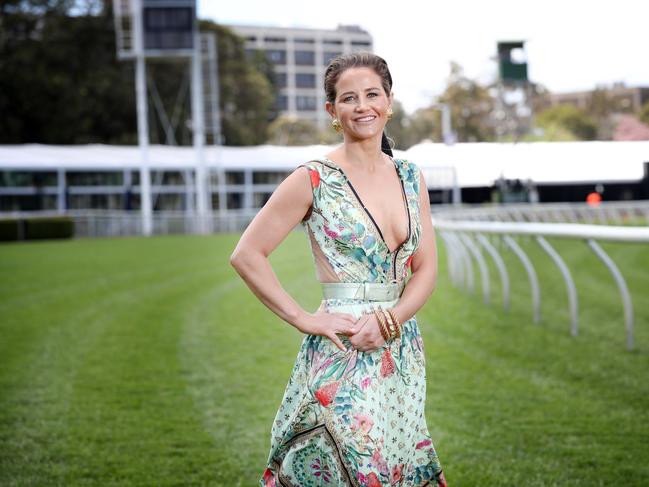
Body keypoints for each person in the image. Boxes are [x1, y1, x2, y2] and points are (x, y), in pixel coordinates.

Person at [230, 51, 447, 487]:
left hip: (399, 348)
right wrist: (303, 318)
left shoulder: (410, 175)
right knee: (346, 465)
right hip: (342, 344)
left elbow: (425, 269)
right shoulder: (313, 178)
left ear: (389, 101)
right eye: (349, 98)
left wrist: (389, 320)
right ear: (333, 110)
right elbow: (247, 254)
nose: (362, 106)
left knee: (396, 463)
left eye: (372, 94)